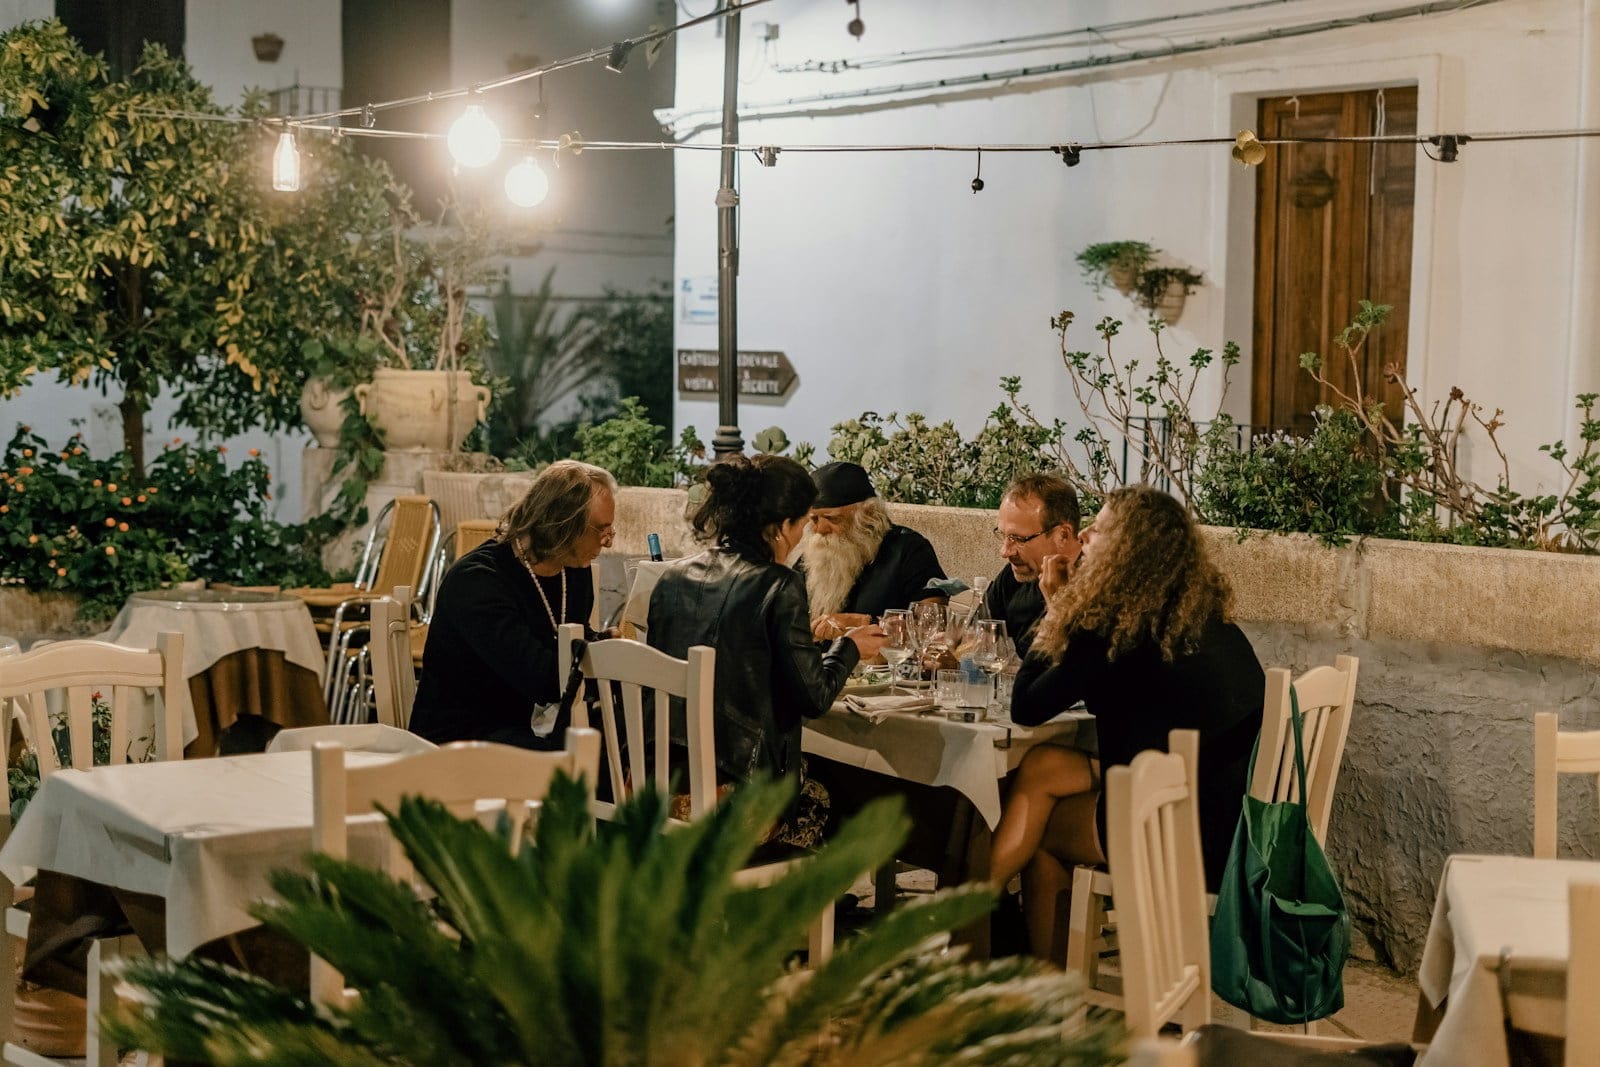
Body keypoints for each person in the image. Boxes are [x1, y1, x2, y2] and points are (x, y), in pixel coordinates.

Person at [990, 484, 1264, 960]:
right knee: (1043, 766)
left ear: (1126, 550)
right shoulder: (1200, 616)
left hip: (1184, 835)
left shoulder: (1116, 629)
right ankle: (972, 913)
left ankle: (1039, 985)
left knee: (1044, 836)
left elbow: (1027, 707)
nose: (1088, 533)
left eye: (1100, 527)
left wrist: (1057, 610)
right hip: (1237, 822)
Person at [647, 454, 885, 846]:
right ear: (780, 526)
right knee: (837, 796)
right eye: (805, 521)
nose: (807, 534)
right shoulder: (778, 584)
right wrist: (849, 647)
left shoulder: (672, 577)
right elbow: (814, 698)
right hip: (728, 800)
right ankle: (794, 905)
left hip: (651, 784)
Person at [410, 460, 615, 748]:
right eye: (602, 530)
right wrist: (611, 660)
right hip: (463, 740)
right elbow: (544, 678)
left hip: (530, 726)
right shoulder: (478, 582)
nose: (608, 542)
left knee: (631, 743)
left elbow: (569, 642)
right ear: (565, 525)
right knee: (594, 759)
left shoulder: (572, 570)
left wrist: (604, 642)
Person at [798, 461, 946, 639]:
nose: (820, 529)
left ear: (867, 515)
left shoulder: (909, 550)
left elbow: (934, 624)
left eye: (833, 519)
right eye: (814, 519)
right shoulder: (816, 554)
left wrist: (862, 623)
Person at [983, 473, 1082, 655]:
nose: (1005, 551)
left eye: (1018, 539)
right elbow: (978, 638)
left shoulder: (1097, 588)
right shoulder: (1014, 574)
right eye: (1003, 535)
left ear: (1063, 535)